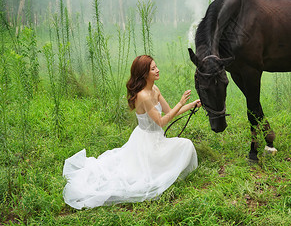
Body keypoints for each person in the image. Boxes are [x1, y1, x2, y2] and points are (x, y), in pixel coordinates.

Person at [62, 55, 201, 209]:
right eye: (153, 69)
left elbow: (169, 111)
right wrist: (181, 102)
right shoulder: (143, 96)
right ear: (144, 74)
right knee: (181, 148)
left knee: (185, 145)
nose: (158, 70)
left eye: (156, 67)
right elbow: (162, 121)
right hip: (146, 143)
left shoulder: (155, 89)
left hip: (157, 139)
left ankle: (166, 170)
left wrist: (191, 105)